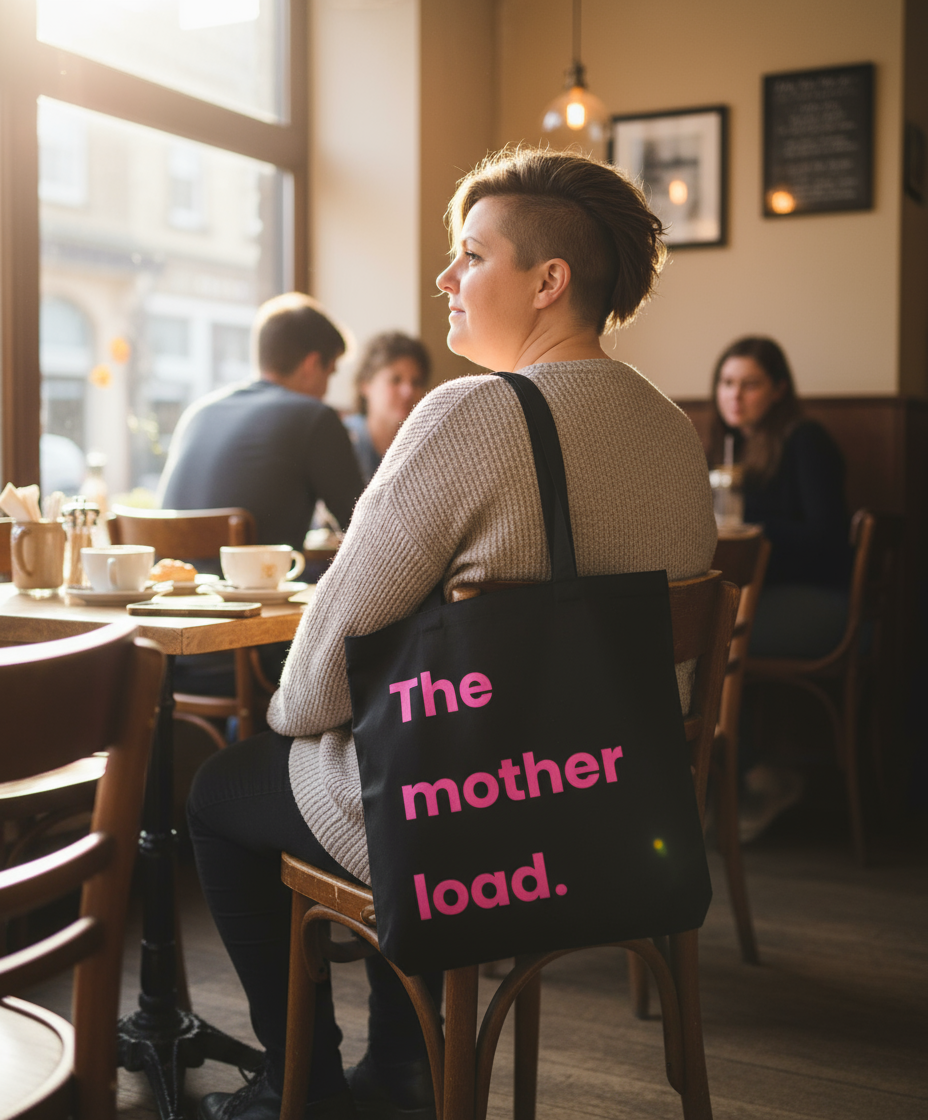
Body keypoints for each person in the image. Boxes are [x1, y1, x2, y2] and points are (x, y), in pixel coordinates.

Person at [187, 146, 717, 1120]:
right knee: (408, 745)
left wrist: (304, 703)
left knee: (225, 786)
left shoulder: (471, 414)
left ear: (548, 280)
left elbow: (310, 690)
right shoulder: (669, 424)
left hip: (480, 824)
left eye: (471, 255)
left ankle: (297, 1083)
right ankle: (399, 1066)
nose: (445, 278)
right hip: (617, 820)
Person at [708, 336, 852, 839]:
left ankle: (753, 774)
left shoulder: (805, 439)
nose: (735, 396)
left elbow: (826, 538)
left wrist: (747, 520)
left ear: (779, 390)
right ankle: (740, 775)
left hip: (824, 604)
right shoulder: (731, 451)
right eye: (727, 383)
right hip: (766, 598)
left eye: (750, 384)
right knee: (694, 627)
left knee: (702, 637)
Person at [158, 292, 364, 552]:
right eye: (330, 373)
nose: (326, 390)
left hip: (168, 588)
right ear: (312, 365)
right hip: (252, 591)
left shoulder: (199, 412)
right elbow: (366, 529)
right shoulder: (315, 416)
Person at [343, 332, 430, 483]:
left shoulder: (425, 448)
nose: (408, 392)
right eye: (395, 380)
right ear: (365, 384)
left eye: (416, 382)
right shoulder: (343, 440)